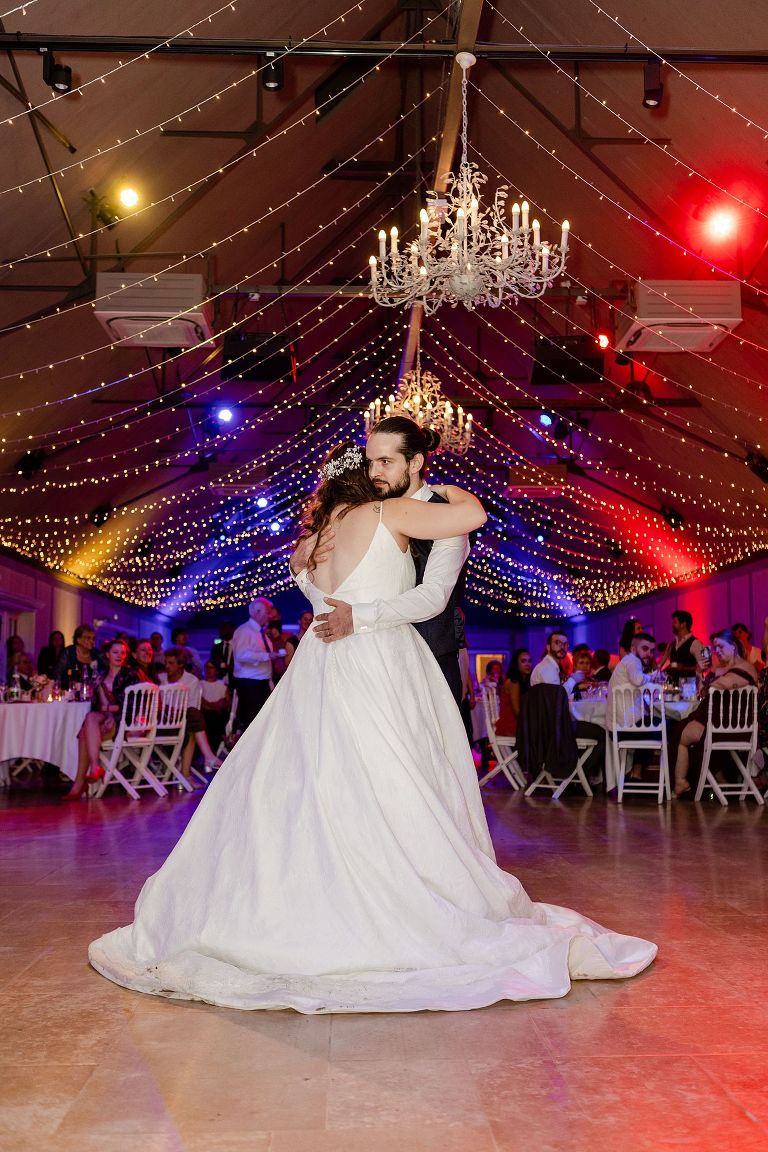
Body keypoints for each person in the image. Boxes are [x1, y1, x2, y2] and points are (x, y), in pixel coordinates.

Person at [88, 439, 655, 1014]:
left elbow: (326, 597)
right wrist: (443, 484)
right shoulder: (388, 513)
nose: (381, 472)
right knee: (392, 776)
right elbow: (474, 514)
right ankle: (396, 894)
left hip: (319, 664)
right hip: (380, 659)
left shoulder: (305, 547)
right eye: (374, 466)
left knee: (311, 781)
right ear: (364, 481)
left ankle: (299, 900)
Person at [313, 416, 470, 705]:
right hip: (373, 666)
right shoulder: (367, 512)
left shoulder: (448, 515)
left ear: (415, 463)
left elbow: (434, 595)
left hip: (430, 665)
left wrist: (356, 616)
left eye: (386, 462)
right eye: (370, 462)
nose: (374, 472)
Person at [670, 628, 758, 799]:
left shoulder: (744, 667)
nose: (717, 651)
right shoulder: (723, 669)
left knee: (680, 732)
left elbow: (720, 686)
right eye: (715, 648)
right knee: (680, 727)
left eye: (721, 647)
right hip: (721, 722)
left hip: (732, 726)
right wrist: (703, 673)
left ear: (733, 646)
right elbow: (707, 690)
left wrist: (715, 678)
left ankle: (682, 781)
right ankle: (695, 782)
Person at [64, 640, 139, 801]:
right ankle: (94, 767)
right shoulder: (100, 675)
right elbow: (96, 705)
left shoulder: (130, 675)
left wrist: (111, 714)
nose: (119, 656)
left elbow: (129, 705)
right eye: (115, 652)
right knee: (90, 717)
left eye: (123, 653)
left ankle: (81, 781)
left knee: (85, 732)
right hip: (103, 718)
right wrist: (108, 714)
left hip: (124, 722)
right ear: (107, 654)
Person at [159, 649, 222, 782]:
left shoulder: (191, 680)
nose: (167, 666)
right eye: (165, 662)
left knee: (192, 721)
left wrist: (177, 711)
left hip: (183, 719)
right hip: (162, 722)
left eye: (171, 663)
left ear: (181, 664)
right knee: (193, 722)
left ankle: (187, 773)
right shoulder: (161, 678)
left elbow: (192, 705)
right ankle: (206, 758)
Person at [231, 598, 283, 730]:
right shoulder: (244, 631)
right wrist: (267, 656)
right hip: (250, 685)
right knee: (253, 725)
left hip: (261, 683)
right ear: (257, 612)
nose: (270, 616)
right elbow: (241, 655)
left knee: (263, 724)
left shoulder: (262, 633)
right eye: (268, 612)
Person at [661, 610, 703, 687]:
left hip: (689, 689)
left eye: (675, 622)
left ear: (683, 624)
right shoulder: (673, 644)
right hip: (674, 688)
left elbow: (702, 667)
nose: (672, 625)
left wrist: (683, 667)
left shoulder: (695, 643)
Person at [495, 648, 531, 738]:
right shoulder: (514, 682)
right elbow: (517, 712)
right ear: (516, 664)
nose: (528, 664)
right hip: (511, 727)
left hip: (516, 725)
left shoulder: (523, 681)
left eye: (529, 661)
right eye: (523, 661)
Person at [54, 624, 99, 693]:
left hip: (89, 694)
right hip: (68, 693)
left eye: (93, 638)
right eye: (88, 638)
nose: (92, 641)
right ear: (78, 640)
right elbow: (58, 673)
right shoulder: (69, 652)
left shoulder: (96, 654)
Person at [200, 661, 231, 753]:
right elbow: (200, 701)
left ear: (217, 671)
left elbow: (227, 702)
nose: (208, 670)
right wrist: (212, 705)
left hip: (219, 714)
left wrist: (218, 704)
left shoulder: (222, 685)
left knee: (217, 718)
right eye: (207, 667)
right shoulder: (199, 684)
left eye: (211, 667)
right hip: (205, 714)